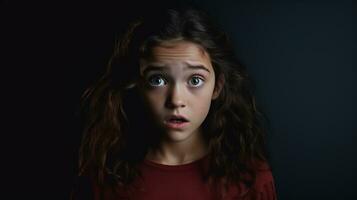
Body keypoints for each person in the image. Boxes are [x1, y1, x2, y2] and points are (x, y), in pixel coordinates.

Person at [71, 3, 277, 200]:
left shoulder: (250, 178)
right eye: (158, 80)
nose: (176, 100)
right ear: (137, 85)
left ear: (217, 86)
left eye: (195, 80)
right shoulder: (105, 178)